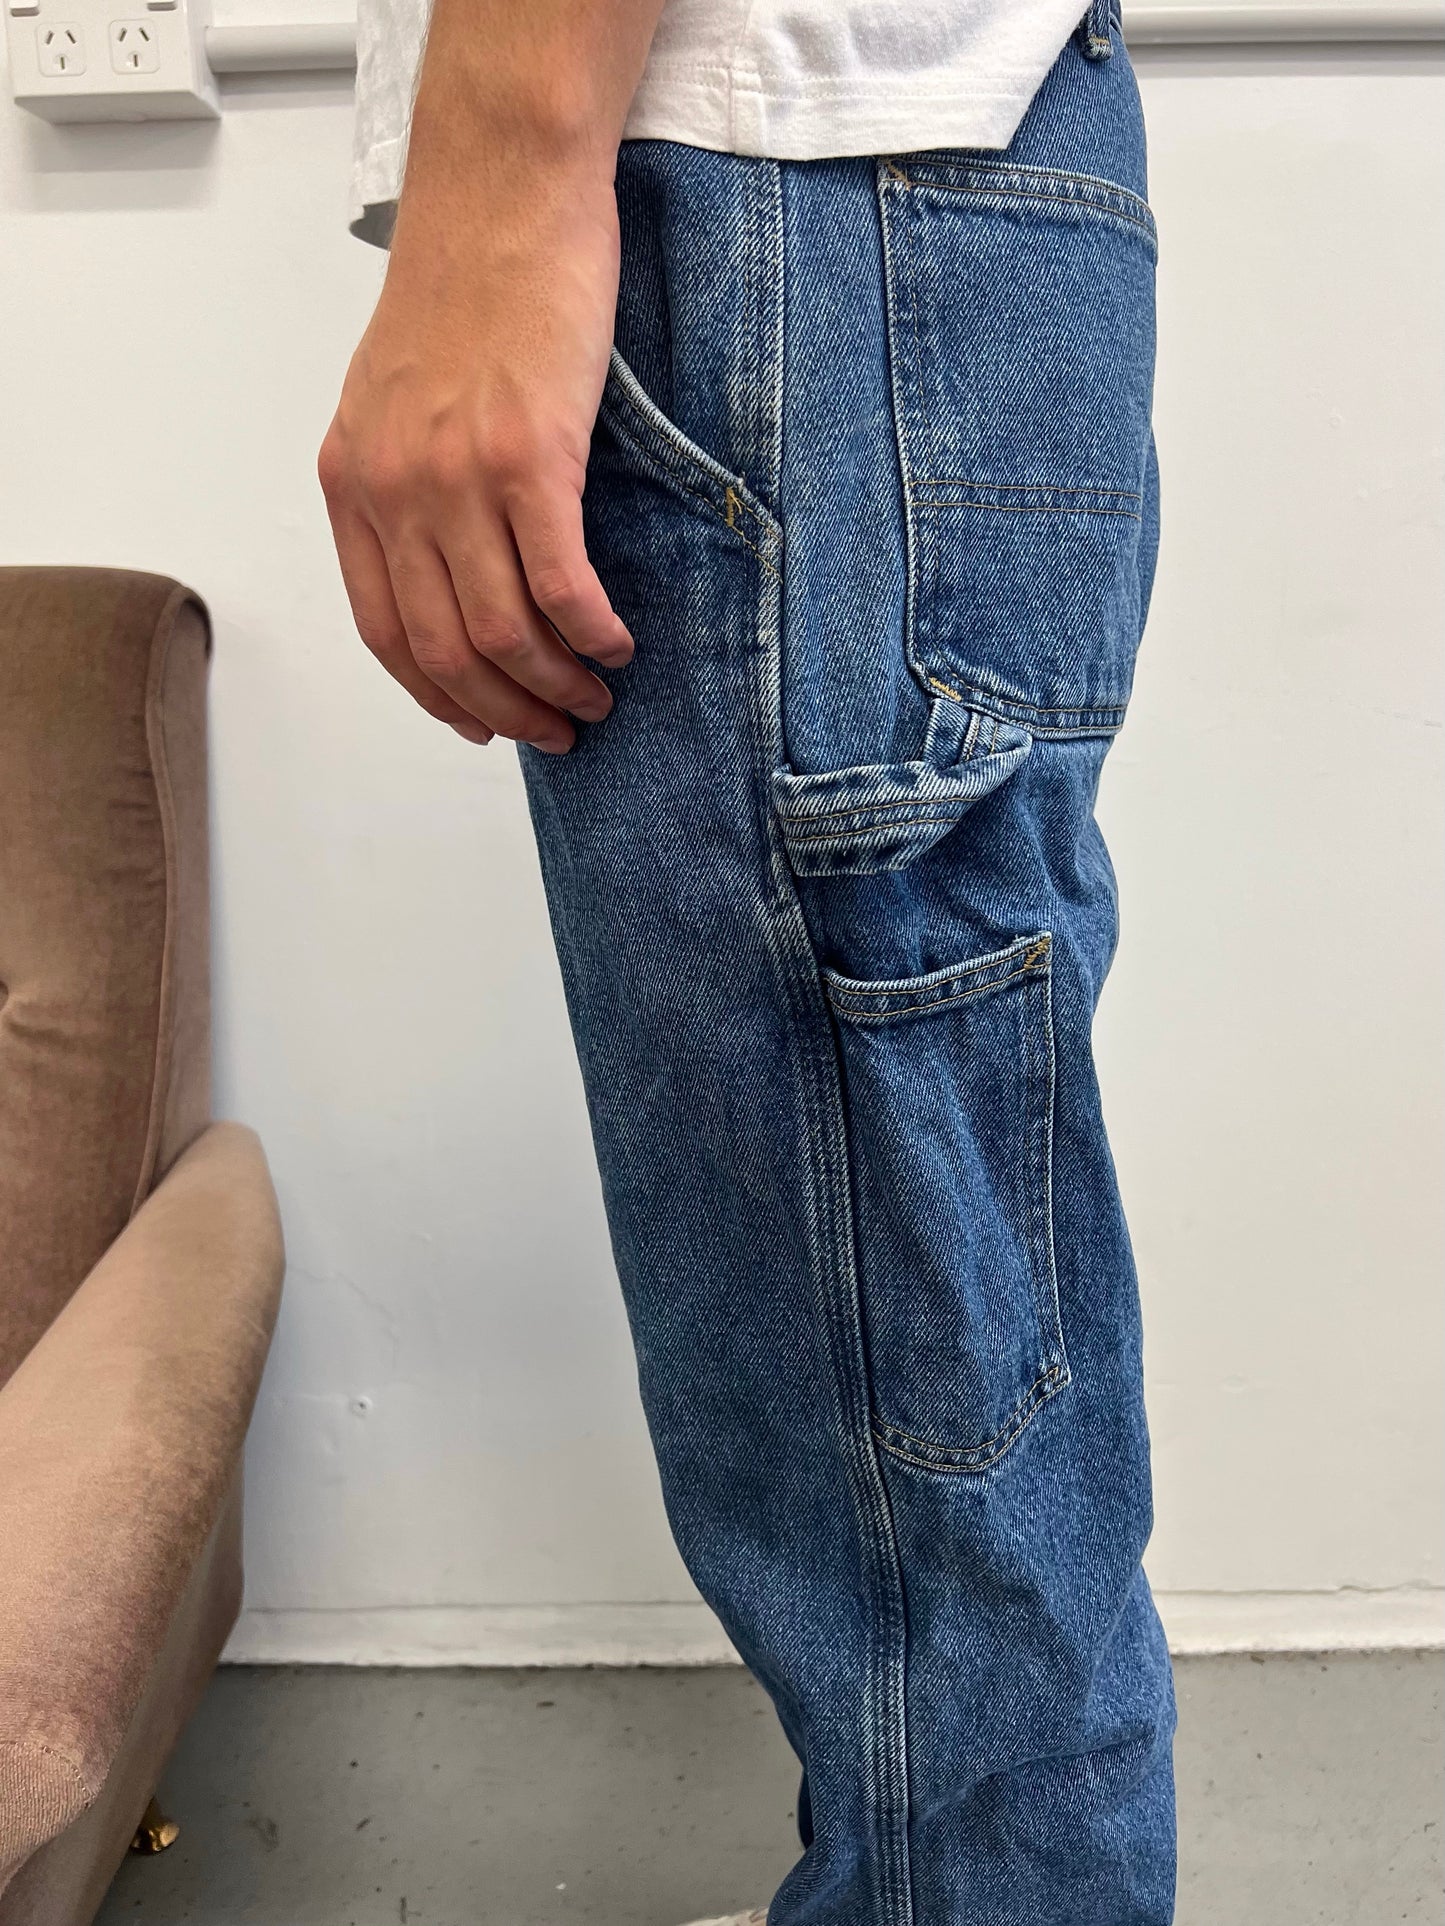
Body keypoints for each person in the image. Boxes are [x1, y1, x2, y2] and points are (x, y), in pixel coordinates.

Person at [318, 1, 1176, 1920]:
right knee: (898, 1411)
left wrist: (505, 167)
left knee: (904, 1468)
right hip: (859, 218)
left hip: (775, 207)